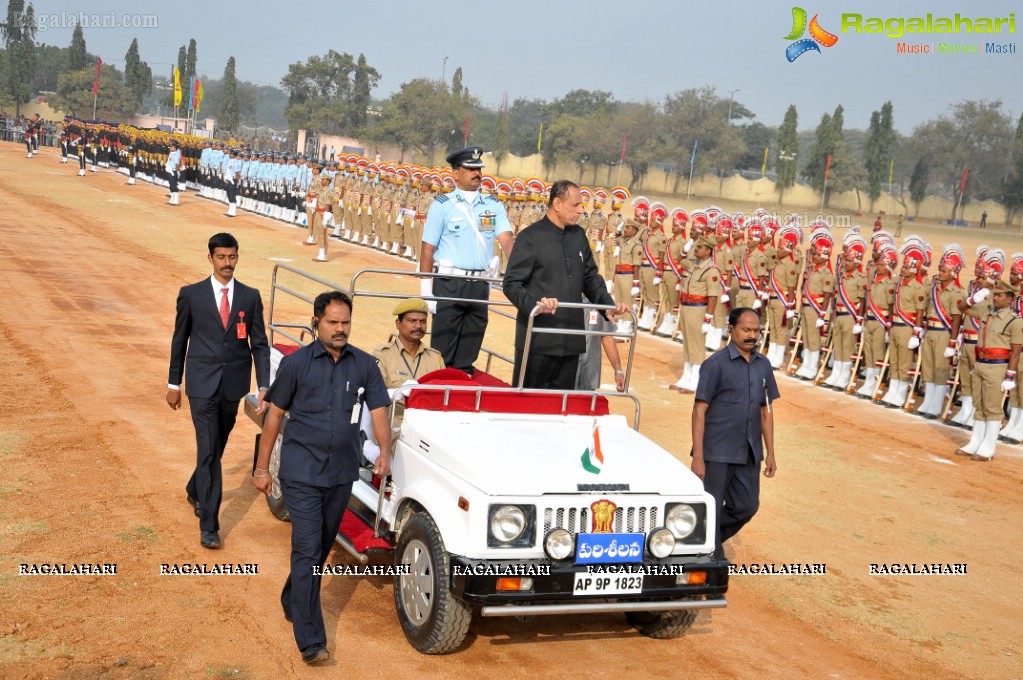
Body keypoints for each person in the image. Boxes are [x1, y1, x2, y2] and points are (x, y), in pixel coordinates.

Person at [253, 291, 391, 664]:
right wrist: (263, 469)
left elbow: (379, 409)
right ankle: (311, 638)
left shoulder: (364, 364)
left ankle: (291, 597)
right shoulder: (296, 365)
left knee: (317, 547)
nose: (340, 329)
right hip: (301, 472)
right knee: (307, 547)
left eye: (345, 322)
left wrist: (385, 452)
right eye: (332, 322)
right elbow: (275, 416)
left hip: (341, 473)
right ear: (317, 322)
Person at [167, 233, 270, 549]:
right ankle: (209, 524)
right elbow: (179, 340)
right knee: (209, 449)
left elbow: (260, 344)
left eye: (233, 257)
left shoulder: (250, 297)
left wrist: (263, 385)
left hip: (233, 386)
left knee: (218, 442)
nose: (228, 263)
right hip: (201, 384)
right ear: (210, 258)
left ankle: (196, 487)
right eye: (222, 257)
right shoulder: (191, 295)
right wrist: (174, 383)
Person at [503, 180, 628, 389]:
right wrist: (535, 304)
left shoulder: (578, 236)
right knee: (529, 406)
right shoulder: (530, 237)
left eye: (581, 206)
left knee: (561, 408)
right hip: (539, 340)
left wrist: (607, 305)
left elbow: (590, 276)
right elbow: (512, 283)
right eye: (575, 205)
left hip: (571, 341)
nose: (580, 211)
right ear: (558, 204)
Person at [691, 307, 779, 559]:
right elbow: (699, 411)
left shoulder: (764, 365)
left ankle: (700, 538)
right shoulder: (715, 365)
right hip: (715, 452)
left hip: (748, 451)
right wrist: (698, 455)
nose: (752, 335)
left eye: (756, 330)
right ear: (731, 329)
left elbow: (766, 411)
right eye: (746, 330)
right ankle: (713, 558)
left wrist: (771, 452)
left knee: (747, 507)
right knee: (711, 509)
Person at [419, 147, 514, 374]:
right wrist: (425, 291)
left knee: (470, 347)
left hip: (480, 286)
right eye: (470, 168)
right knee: (443, 352)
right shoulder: (442, 205)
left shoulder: (492, 205)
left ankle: (461, 390)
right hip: (450, 283)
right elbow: (426, 250)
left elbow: (507, 241)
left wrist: (525, 270)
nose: (476, 173)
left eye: (478, 168)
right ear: (456, 173)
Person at [955, 281, 1022, 460]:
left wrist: (1010, 375)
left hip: (997, 366)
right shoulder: (986, 311)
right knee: (979, 405)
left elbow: (1016, 351)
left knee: (992, 407)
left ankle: (988, 447)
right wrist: (972, 299)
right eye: (995, 295)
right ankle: (975, 442)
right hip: (980, 363)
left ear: (1010, 299)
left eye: (1000, 295)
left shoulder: (1015, 321)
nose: (996, 298)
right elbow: (962, 308)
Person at [373, 297, 445, 388]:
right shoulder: (382, 355)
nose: (418, 326)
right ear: (398, 323)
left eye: (423, 321)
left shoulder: (435, 358)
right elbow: (375, 393)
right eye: (412, 321)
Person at [166, 140, 182, 206]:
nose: (170, 148)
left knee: (174, 186)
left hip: (173, 171)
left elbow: (177, 164)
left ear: (175, 148)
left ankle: (176, 200)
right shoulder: (171, 153)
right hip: (169, 171)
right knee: (171, 186)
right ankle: (172, 199)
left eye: (172, 146)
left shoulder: (176, 154)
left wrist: (177, 171)